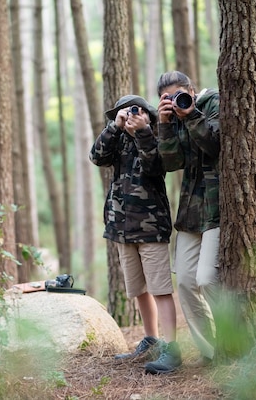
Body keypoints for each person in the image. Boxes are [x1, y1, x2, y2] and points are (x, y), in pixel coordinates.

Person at [90, 95, 182, 374]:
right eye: (124, 112)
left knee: (160, 289)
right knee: (138, 289)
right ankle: (152, 339)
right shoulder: (116, 139)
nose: (130, 115)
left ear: (147, 115)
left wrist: (142, 130)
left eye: (136, 111)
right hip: (121, 226)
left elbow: (156, 166)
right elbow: (96, 157)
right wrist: (114, 127)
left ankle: (172, 348)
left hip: (151, 225)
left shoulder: (154, 136)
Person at [156, 70, 220, 367]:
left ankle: (233, 342)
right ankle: (210, 353)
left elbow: (214, 145)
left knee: (207, 279)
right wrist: (165, 125)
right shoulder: (173, 120)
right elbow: (172, 163)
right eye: (168, 98)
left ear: (192, 90)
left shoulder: (213, 103)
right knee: (184, 281)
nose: (176, 101)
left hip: (218, 208)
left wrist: (191, 113)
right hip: (190, 213)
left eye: (179, 94)